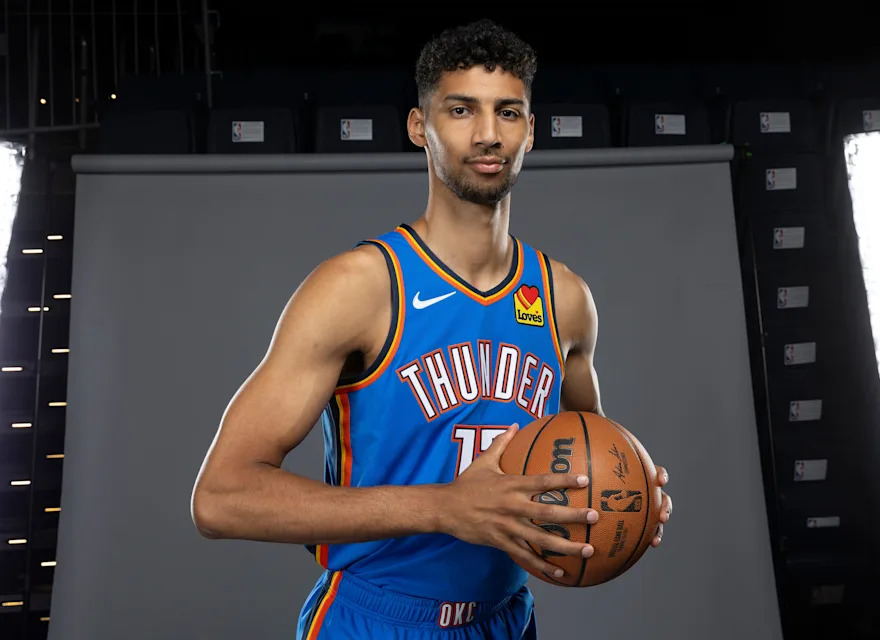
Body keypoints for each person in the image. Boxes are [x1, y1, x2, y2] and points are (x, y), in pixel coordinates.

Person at [190, 18, 672, 640]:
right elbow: (221, 498)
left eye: (508, 112)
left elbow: (581, 453)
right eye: (461, 109)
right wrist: (444, 509)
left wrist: (627, 499)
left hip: (505, 620)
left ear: (531, 129)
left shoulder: (564, 299)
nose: (488, 135)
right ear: (421, 127)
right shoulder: (361, 287)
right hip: (377, 619)